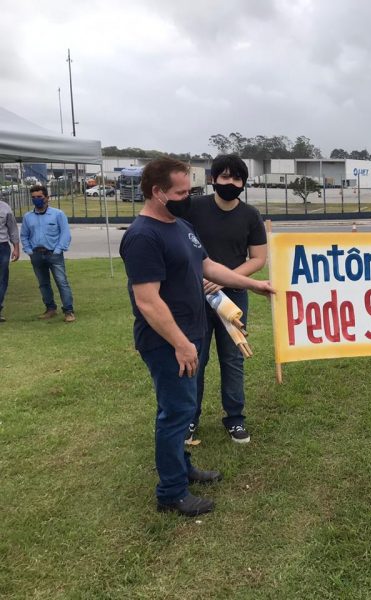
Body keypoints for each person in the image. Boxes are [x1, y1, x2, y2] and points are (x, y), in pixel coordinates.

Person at [119, 158, 274, 516]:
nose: (188, 197)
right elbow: (147, 300)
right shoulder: (143, 236)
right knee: (175, 413)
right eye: (180, 192)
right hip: (167, 341)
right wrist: (180, 342)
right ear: (157, 192)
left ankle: (181, 466)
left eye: (189, 190)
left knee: (183, 406)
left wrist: (254, 284)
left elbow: (207, 266)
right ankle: (171, 492)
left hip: (190, 333)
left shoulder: (180, 225)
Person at [167, 154, 267, 445]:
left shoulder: (250, 215)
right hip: (194, 296)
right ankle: (189, 420)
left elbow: (258, 258)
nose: (230, 183)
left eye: (237, 179)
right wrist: (199, 278)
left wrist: (224, 278)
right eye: (224, 177)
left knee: (233, 358)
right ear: (213, 179)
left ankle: (235, 418)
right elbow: (177, 246)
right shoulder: (193, 209)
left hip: (232, 300)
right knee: (195, 359)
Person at [20, 185, 76, 322]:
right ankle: (50, 309)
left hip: (54, 254)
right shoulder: (28, 217)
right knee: (43, 283)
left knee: (62, 282)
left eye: (39, 197)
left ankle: (68, 311)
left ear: (47, 198)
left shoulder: (58, 214)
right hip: (36, 255)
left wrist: (58, 250)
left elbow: (65, 234)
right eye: (33, 198)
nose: (36, 200)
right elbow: (24, 236)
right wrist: (29, 251)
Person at [0, 198, 20, 322]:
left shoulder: (5, 207)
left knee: (2, 279)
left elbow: (12, 229)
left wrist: (16, 248)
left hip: (2, 247)